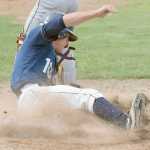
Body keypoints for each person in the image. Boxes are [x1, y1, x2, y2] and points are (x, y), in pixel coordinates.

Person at [11, 4, 148, 129]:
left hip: (35, 104)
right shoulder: (38, 37)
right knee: (90, 96)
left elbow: (68, 91)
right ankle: (128, 124)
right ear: (59, 34)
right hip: (32, 95)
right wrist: (96, 13)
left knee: (81, 108)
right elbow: (62, 21)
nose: (67, 44)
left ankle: (121, 118)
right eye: (67, 38)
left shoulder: (47, 56)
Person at [19, 0, 79, 85]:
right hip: (73, 3)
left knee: (23, 41)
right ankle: (71, 86)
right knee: (63, 42)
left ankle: (23, 83)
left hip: (50, 3)